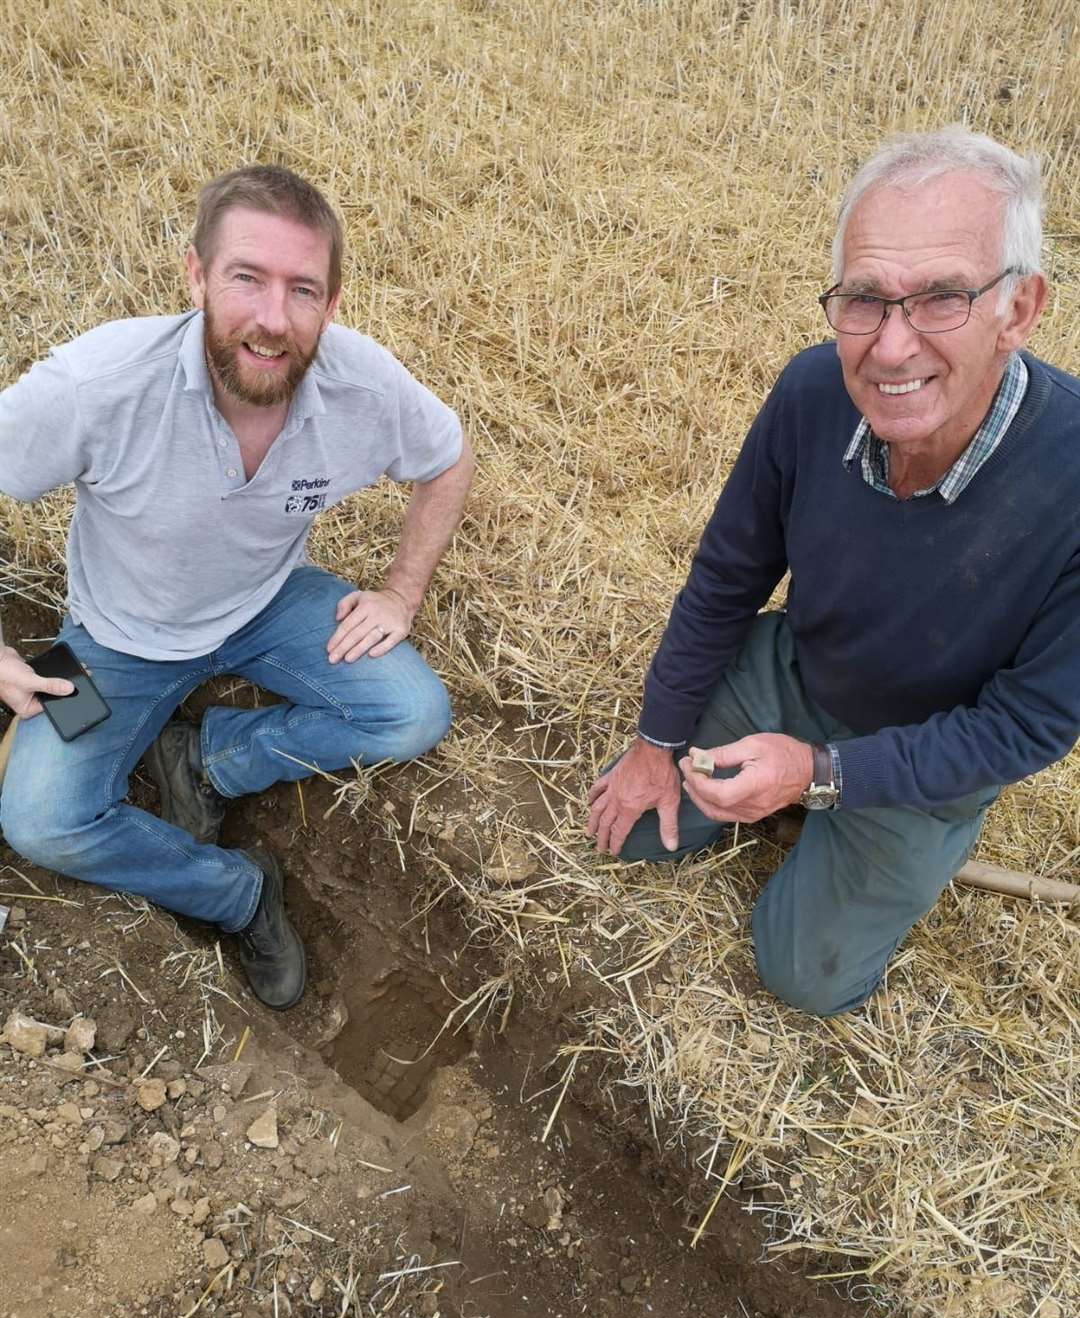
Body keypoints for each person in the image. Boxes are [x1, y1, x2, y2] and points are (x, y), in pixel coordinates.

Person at [587, 126, 1080, 1017]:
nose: (890, 348)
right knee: (631, 837)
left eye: (941, 299)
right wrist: (657, 742)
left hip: (932, 752)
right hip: (800, 671)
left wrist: (820, 774)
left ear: (1020, 308)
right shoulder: (812, 394)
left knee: (800, 975)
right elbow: (726, 579)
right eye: (865, 300)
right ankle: (786, 798)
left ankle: (886, 832)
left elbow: (1025, 728)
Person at [0, 165, 474, 1011]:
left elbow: (447, 457)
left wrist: (401, 592)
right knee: (42, 820)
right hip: (117, 640)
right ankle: (238, 893)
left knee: (410, 713)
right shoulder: (97, 387)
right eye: (246, 278)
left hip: (266, 604)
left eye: (302, 290)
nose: (271, 317)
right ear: (195, 276)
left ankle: (209, 760)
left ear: (331, 305)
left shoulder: (360, 386)